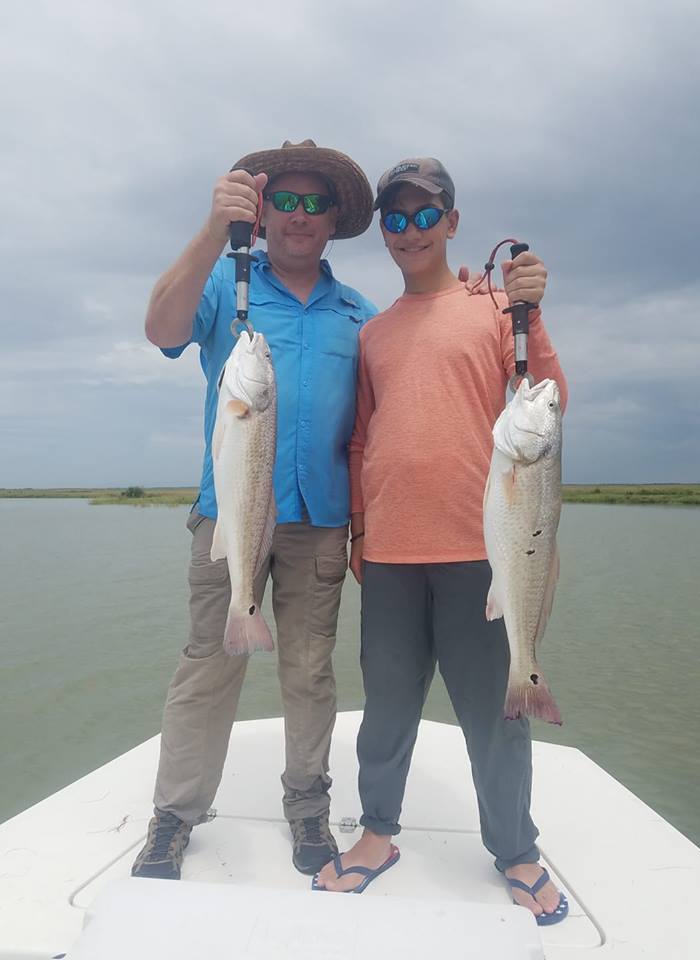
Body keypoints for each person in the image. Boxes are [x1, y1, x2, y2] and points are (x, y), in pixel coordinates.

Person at [314, 158, 570, 925]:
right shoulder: (375, 333)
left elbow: (551, 401)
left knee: (498, 713)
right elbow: (360, 440)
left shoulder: (494, 307)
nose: (410, 230)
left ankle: (516, 848)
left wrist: (531, 310)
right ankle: (378, 834)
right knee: (386, 708)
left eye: (426, 215)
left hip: (481, 552)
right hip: (390, 553)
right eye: (395, 218)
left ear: (453, 222)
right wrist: (360, 527)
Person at [132, 140, 378, 880]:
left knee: (310, 673)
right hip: (228, 515)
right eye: (286, 201)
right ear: (263, 212)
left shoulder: (359, 314)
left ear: (335, 219)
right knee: (207, 668)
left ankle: (308, 809)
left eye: (316, 203)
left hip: (322, 522)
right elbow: (161, 330)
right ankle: (174, 817)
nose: (300, 216)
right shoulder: (223, 285)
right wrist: (213, 230)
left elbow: (377, 423)